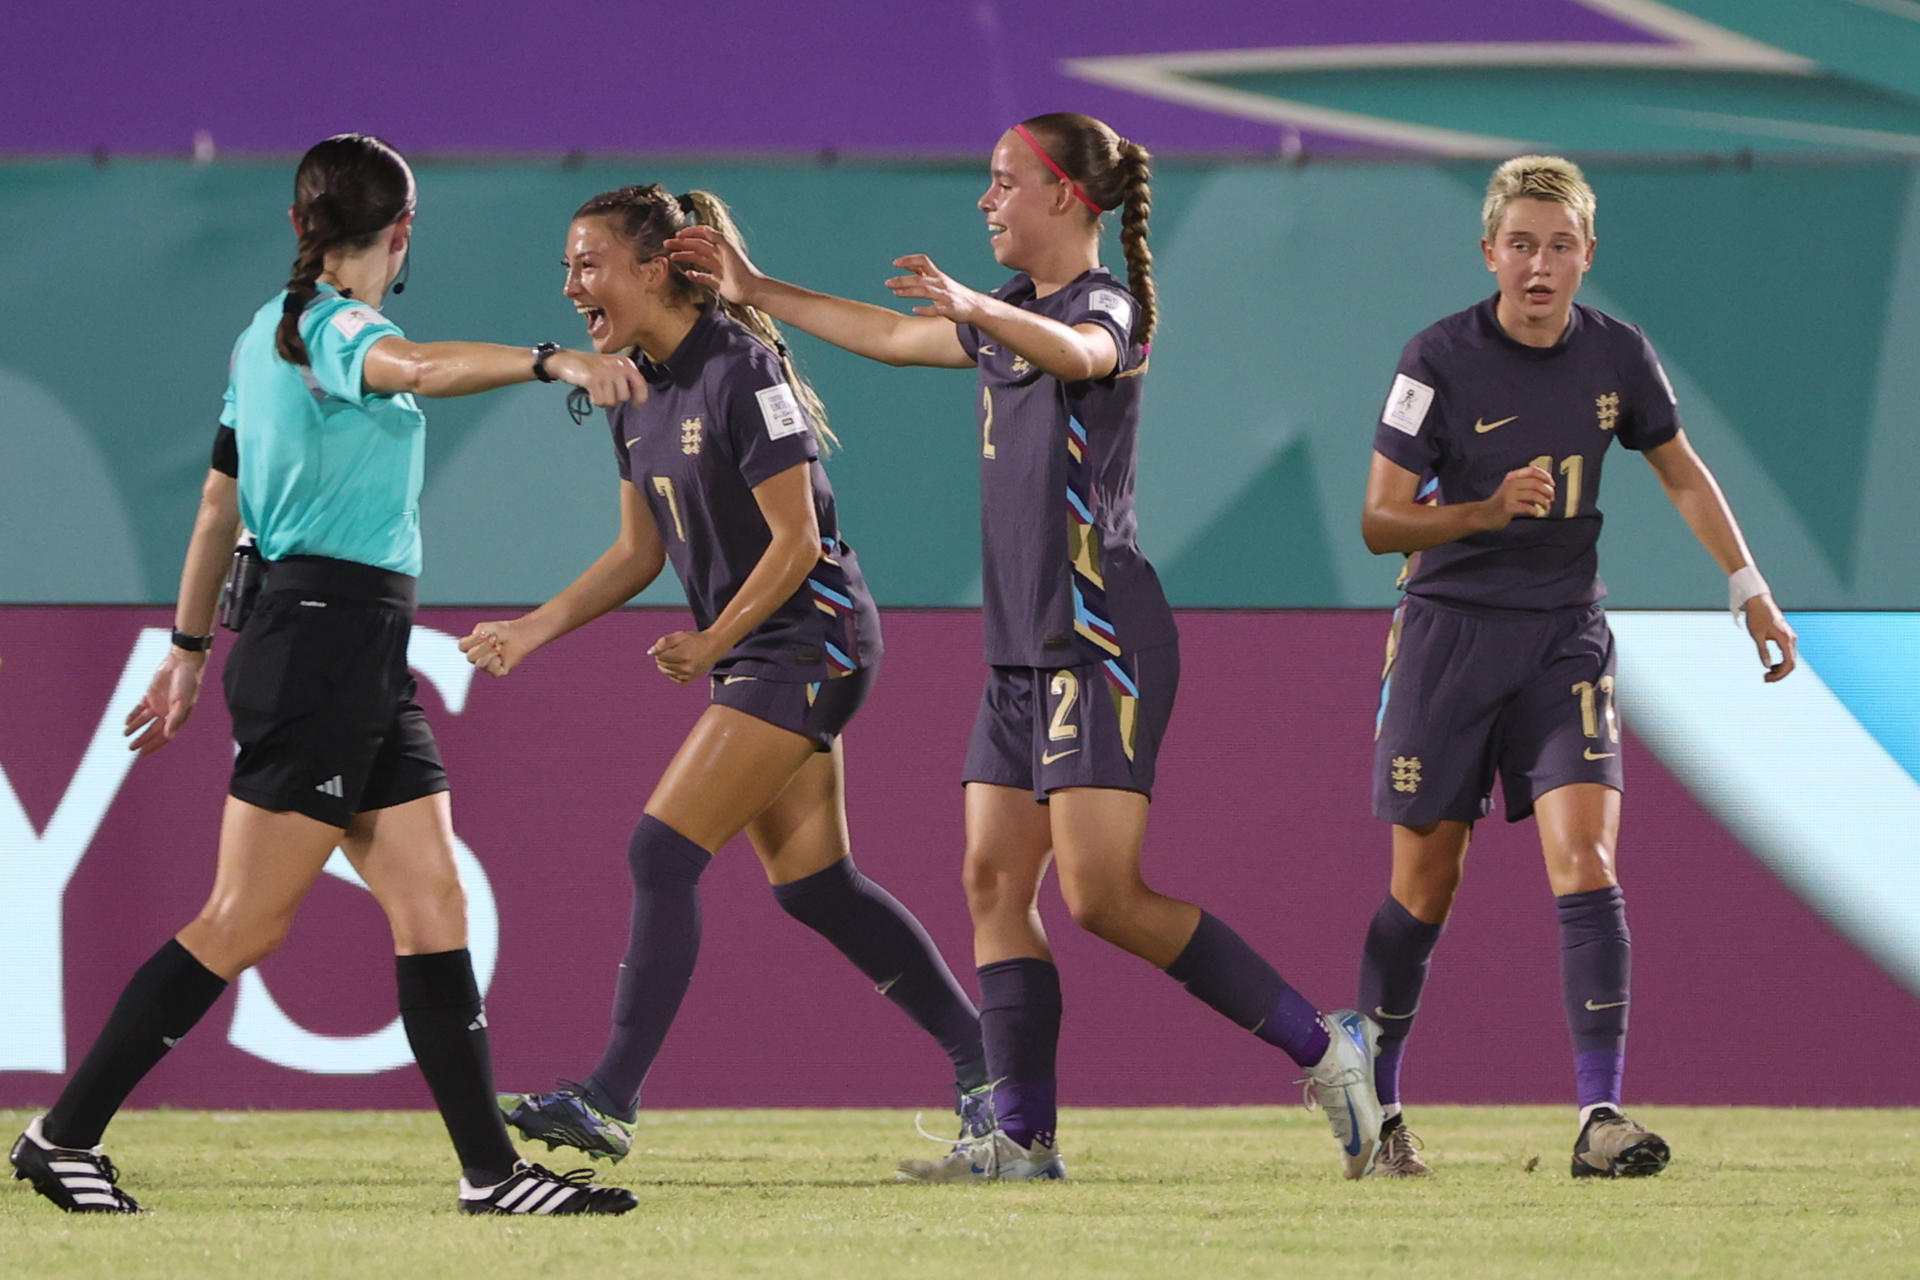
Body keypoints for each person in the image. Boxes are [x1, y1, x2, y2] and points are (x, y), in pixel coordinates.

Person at [667, 113, 1383, 1182]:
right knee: (994, 880)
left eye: (1003, 183)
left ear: (1066, 197)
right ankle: (1022, 1137)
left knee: (1101, 895)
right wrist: (757, 287)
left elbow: (1087, 353)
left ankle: (1328, 1047)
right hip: (1020, 648)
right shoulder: (1008, 312)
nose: (984, 200)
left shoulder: (1103, 304)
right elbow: (889, 335)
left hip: (1100, 636)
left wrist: (970, 308)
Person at [8, 134, 645, 1216]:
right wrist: (554, 361)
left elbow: (218, 507)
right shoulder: (332, 324)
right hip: (321, 646)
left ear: (300, 225)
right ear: (399, 234)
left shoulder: (260, 335)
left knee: (432, 895)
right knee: (242, 920)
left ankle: (492, 1174)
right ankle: (59, 1136)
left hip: (347, 649)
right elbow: (422, 369)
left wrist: (188, 647)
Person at [459, 183, 992, 1165]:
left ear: (658, 266)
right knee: (816, 887)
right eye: (568, 267)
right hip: (761, 646)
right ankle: (988, 1066)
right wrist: (532, 629)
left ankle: (609, 1098)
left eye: (589, 263)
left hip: (811, 637)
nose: (572, 283)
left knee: (662, 850)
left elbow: (794, 541)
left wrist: (709, 646)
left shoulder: (743, 367)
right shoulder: (627, 382)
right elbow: (637, 552)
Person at [1355, 155, 1798, 1179]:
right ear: (1490, 252)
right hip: (1448, 632)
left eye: (1560, 245)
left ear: (1587, 255)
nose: (1540, 264)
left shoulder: (1619, 357)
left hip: (1564, 635)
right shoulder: (1437, 359)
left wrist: (1749, 585)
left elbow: (1680, 471)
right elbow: (1380, 520)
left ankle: (1600, 1115)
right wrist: (1477, 510)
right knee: (1425, 885)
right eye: (1522, 243)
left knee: (1587, 859)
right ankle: (1376, 1102)